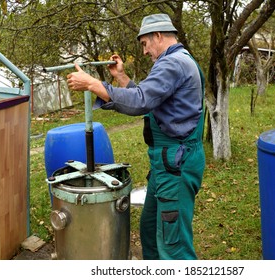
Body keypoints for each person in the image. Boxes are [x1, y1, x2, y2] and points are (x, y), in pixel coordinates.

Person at [67, 13, 205, 260]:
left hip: (176, 165)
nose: (144, 52)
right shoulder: (178, 60)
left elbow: (141, 101)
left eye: (144, 44)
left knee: (174, 246)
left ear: (158, 36)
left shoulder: (172, 63)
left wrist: (93, 84)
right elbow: (151, 98)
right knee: (151, 231)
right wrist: (120, 77)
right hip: (166, 165)